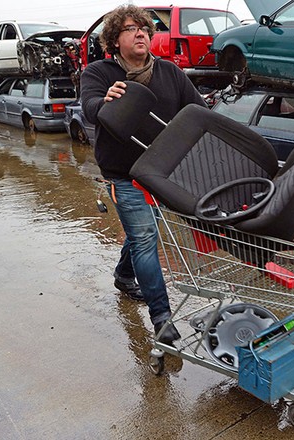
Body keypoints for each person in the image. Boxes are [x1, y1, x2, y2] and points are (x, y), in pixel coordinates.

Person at [80, 5, 206, 343]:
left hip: (164, 172)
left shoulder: (171, 73)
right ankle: (162, 317)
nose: (140, 33)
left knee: (141, 234)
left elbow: (198, 112)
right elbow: (90, 108)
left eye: (144, 29)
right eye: (130, 28)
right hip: (125, 173)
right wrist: (104, 101)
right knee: (147, 236)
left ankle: (124, 274)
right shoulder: (98, 73)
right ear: (114, 39)